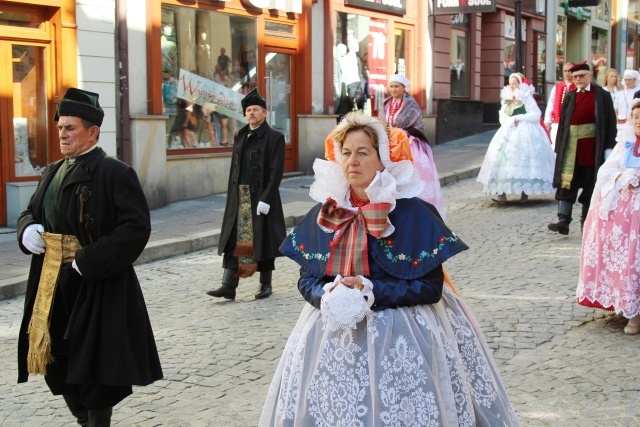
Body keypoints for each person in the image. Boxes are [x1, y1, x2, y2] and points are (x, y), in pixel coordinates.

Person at [259, 113, 520, 426]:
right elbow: (307, 279)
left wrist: (373, 292)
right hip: (333, 333)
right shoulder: (327, 212)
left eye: (363, 152)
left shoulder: (412, 213)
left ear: (383, 159)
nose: (352, 161)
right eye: (346, 152)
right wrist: (326, 293)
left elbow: (431, 286)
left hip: (403, 335)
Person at [16, 88, 163, 426]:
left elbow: (135, 228)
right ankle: (84, 419)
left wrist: (88, 261)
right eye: (60, 128)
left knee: (96, 369)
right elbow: (30, 211)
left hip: (95, 284)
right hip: (52, 285)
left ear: (93, 131)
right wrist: (27, 230)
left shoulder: (114, 172)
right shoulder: (53, 172)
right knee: (57, 362)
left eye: (70, 128)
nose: (62, 134)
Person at [207, 88, 286, 300]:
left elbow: (276, 171)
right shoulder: (239, 135)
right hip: (239, 197)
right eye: (249, 110)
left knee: (263, 240)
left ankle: (265, 285)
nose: (252, 113)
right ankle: (228, 285)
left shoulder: (275, 137)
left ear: (265, 113)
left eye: (256, 109)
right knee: (236, 239)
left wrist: (266, 199)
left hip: (261, 197)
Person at [576, 100, 640, 335]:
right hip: (624, 211)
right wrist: (623, 178)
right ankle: (626, 303)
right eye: (635, 117)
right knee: (623, 257)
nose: (638, 122)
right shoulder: (626, 144)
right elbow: (607, 170)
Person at [547, 60, 618, 235]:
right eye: (575, 76)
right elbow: (563, 123)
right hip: (571, 149)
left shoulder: (601, 95)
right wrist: (559, 149)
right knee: (567, 182)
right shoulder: (570, 96)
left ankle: (586, 221)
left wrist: (609, 149)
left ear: (589, 76)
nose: (577, 79)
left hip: (592, 149)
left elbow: (610, 123)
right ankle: (563, 220)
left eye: (581, 76)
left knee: (590, 183)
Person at [478, 73, 555, 203]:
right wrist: (510, 120)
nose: (512, 85)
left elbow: (536, 115)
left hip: (526, 132)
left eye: (514, 83)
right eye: (510, 83)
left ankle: (525, 192)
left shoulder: (526, 98)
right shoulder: (508, 99)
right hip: (509, 132)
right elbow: (502, 117)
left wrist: (519, 118)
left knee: (525, 160)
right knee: (502, 160)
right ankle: (501, 192)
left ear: (520, 84)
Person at [378, 74, 446, 218]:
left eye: (397, 86)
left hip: (409, 144)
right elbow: (382, 123)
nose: (394, 89)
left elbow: (418, 126)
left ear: (404, 88)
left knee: (412, 174)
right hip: (390, 144)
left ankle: (421, 211)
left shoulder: (410, 105)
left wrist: (404, 134)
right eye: (391, 86)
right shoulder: (386, 104)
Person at [544, 61, 574, 149]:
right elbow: (551, 104)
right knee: (555, 146)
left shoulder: (577, 87)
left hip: (572, 123)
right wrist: (548, 121)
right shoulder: (557, 87)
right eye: (565, 71)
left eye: (569, 71)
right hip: (557, 122)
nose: (567, 73)